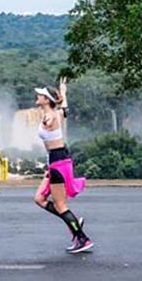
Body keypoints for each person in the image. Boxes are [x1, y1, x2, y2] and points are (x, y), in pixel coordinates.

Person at [33, 78, 94, 254]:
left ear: (47, 100)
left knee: (60, 204)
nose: (38, 96)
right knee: (39, 199)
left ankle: (82, 238)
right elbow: (64, 110)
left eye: (41, 95)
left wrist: (48, 120)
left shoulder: (50, 116)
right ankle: (73, 224)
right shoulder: (57, 112)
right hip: (55, 160)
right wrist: (64, 93)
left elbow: (51, 119)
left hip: (58, 161)